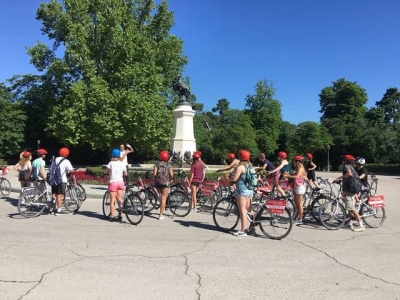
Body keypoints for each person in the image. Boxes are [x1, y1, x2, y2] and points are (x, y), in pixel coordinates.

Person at [334, 154, 365, 232]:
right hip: (351, 189)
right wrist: (340, 180)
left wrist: (339, 177)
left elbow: (349, 174)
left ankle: (361, 225)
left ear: (345, 161)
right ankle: (350, 223)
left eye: (343, 159)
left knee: (351, 208)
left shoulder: (346, 166)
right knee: (349, 208)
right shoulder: (351, 167)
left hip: (350, 190)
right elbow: (349, 177)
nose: (342, 161)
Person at [230, 150, 254, 237]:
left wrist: (229, 179)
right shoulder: (250, 166)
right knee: (250, 211)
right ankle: (252, 228)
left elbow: (234, 179)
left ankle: (243, 231)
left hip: (242, 191)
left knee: (243, 211)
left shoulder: (240, 167)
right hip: (250, 190)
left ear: (240, 157)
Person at [105, 148, 128, 222]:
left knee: (113, 200)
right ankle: (120, 215)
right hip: (120, 182)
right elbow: (125, 174)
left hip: (113, 182)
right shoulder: (122, 163)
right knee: (120, 200)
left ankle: (112, 216)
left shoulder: (111, 163)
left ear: (112, 155)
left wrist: (106, 173)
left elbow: (106, 171)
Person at [51, 148, 74, 216]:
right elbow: (71, 170)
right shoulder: (66, 161)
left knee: (54, 193)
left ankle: (53, 208)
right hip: (61, 179)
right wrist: (70, 171)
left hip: (54, 179)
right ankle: (59, 210)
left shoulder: (54, 159)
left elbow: (51, 168)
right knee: (59, 194)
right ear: (67, 154)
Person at [284, 155, 307, 224]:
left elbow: (297, 177)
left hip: (300, 188)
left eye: (294, 161)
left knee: (299, 204)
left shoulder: (301, 168)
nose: (293, 162)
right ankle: (296, 216)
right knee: (296, 204)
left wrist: (288, 176)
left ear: (297, 162)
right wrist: (289, 175)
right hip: (296, 187)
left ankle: (300, 219)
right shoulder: (297, 168)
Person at [153, 150, 173, 220]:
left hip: (158, 182)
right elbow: (171, 174)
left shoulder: (157, 164)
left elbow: (154, 174)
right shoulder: (169, 165)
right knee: (164, 198)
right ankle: (161, 215)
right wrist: (170, 179)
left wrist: (155, 180)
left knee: (159, 196)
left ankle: (158, 199)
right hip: (165, 183)